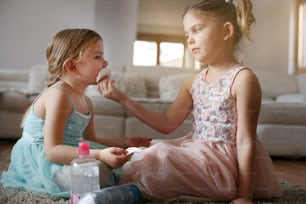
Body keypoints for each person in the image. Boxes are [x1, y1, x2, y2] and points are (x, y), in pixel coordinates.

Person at [98, 0, 282, 203]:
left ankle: (125, 189)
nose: (190, 40)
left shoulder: (243, 79)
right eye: (187, 34)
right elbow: (166, 124)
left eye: (197, 30)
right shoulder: (193, 82)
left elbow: (245, 140)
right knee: (143, 152)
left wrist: (244, 196)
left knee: (158, 155)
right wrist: (121, 98)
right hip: (196, 151)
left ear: (226, 31)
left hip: (225, 165)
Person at [0, 28, 151, 198]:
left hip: (70, 151)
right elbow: (52, 151)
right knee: (100, 171)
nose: (105, 63)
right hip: (44, 161)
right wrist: (100, 155)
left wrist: (125, 142)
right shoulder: (59, 95)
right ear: (72, 66)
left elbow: (91, 140)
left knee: (123, 162)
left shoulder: (87, 101)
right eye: (97, 57)